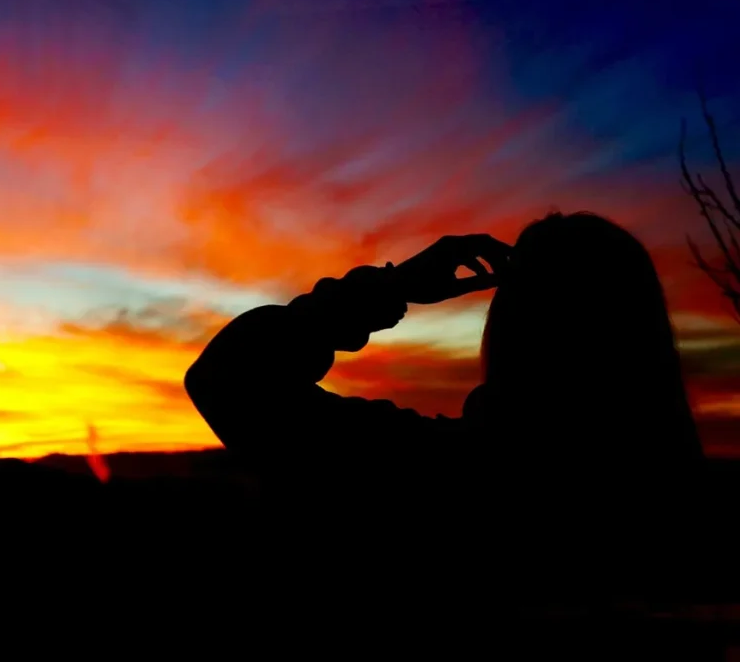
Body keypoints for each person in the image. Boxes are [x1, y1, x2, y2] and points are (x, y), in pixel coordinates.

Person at [185, 211, 712, 609]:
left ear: (510, 330)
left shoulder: (433, 475)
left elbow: (229, 378)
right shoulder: (692, 519)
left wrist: (394, 287)